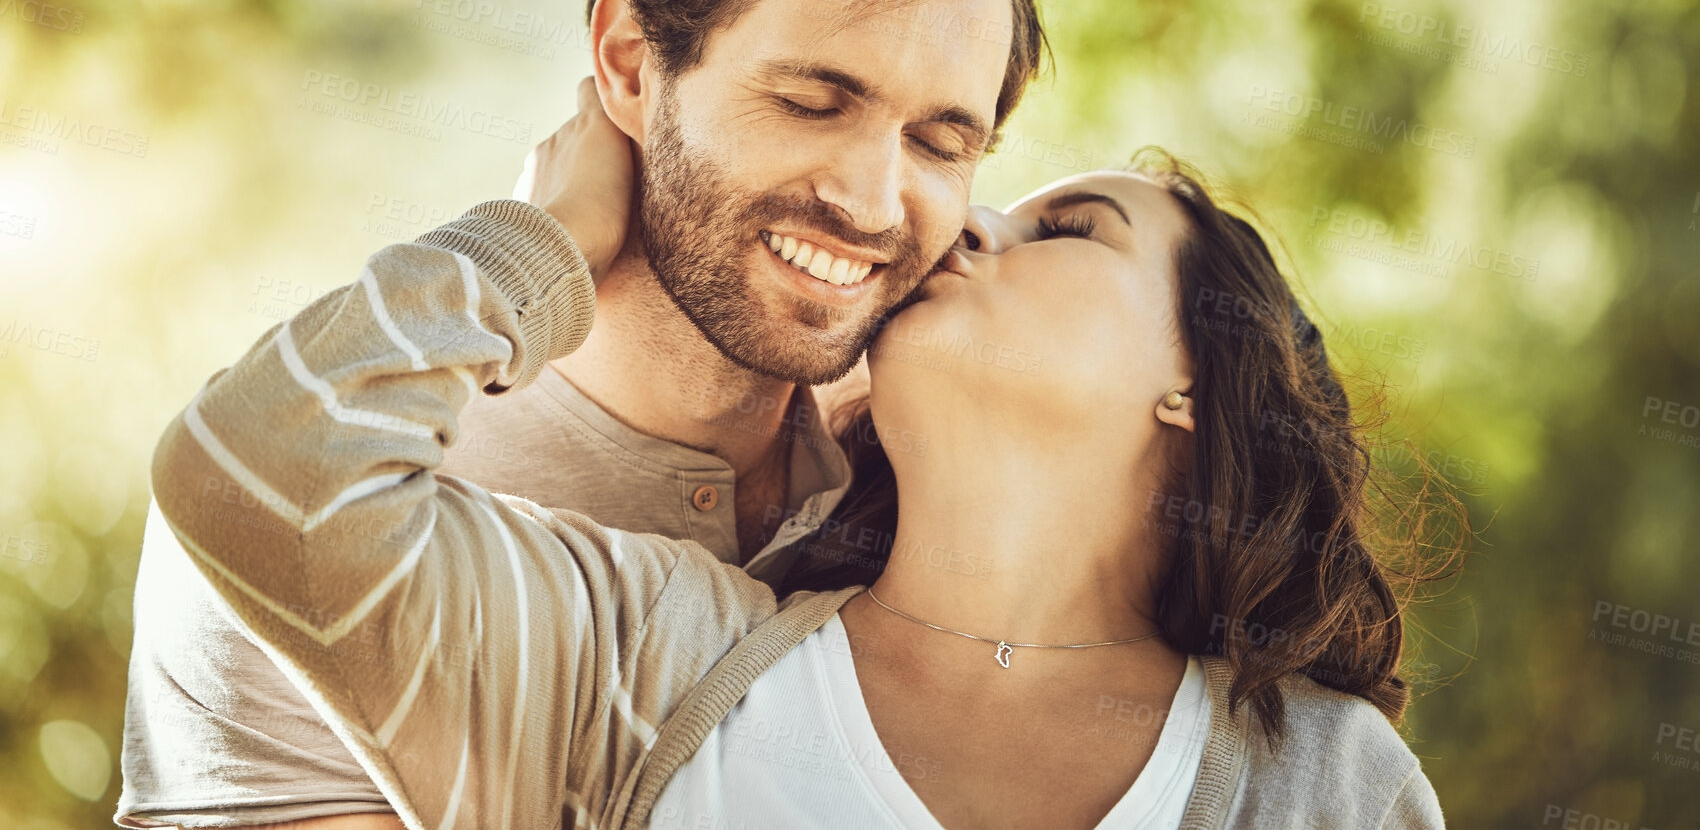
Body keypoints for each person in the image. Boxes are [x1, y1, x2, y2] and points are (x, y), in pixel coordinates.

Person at [118, 0, 1048, 826]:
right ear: (627, 64)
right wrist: (538, 238)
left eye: (940, 142)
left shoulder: (928, 476)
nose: (869, 198)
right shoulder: (330, 497)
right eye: (810, 100)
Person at [146, 80, 1454, 829]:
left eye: (1073, 226)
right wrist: (539, 239)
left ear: (1195, 374)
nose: (969, 228)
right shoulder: (654, 666)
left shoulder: (1323, 780)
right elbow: (259, 469)